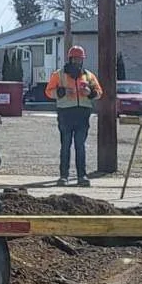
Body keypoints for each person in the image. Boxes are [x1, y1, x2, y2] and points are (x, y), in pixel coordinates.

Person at [45, 45, 103, 187]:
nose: (78, 61)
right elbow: (48, 91)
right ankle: (63, 176)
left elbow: (99, 92)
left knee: (80, 146)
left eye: (80, 59)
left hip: (83, 114)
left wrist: (89, 92)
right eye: (75, 59)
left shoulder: (88, 75)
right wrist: (62, 92)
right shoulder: (58, 75)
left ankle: (81, 176)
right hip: (65, 113)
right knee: (65, 145)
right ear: (70, 59)